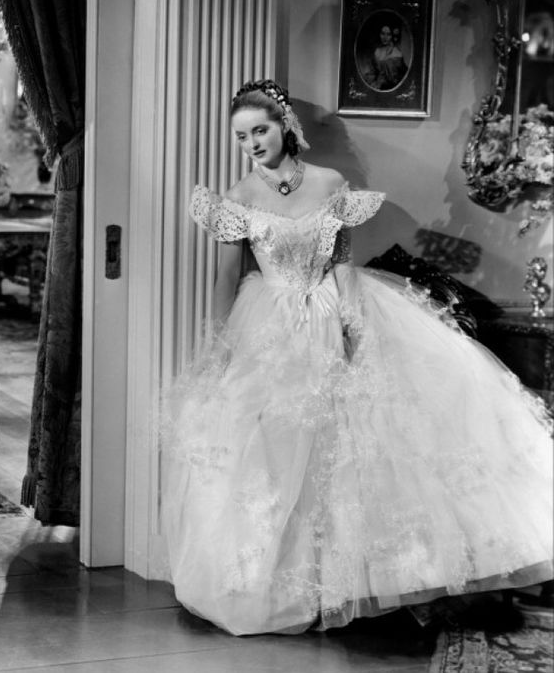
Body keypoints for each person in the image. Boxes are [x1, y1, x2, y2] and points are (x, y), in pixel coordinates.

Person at [162, 79, 553, 636]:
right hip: (267, 319)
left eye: (260, 130)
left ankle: (346, 581)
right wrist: (223, 345)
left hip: (328, 306)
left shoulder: (329, 183)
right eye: (241, 136)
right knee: (272, 447)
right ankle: (276, 584)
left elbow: (342, 260)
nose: (252, 143)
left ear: (285, 126)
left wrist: (351, 322)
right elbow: (229, 275)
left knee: (348, 438)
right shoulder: (239, 196)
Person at [364, 23, 407, 91]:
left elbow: (401, 77)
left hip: (392, 89)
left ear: (392, 36)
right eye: (383, 33)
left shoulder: (397, 54)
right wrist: (372, 83)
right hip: (377, 89)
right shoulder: (377, 51)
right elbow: (372, 72)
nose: (385, 37)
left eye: (388, 34)